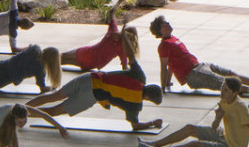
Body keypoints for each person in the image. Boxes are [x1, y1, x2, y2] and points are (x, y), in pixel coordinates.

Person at [26, 33, 164, 134]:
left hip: (90, 77)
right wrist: (152, 123)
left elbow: (131, 57)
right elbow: (135, 125)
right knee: (53, 111)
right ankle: (22, 114)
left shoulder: (140, 77)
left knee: (53, 96)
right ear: (148, 99)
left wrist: (124, 36)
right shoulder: (135, 105)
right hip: (91, 95)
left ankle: (20, 108)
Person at [138, 75, 249, 147]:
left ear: (234, 92)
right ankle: (155, 144)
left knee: (195, 144)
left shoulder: (241, 108)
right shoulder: (224, 101)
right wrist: (218, 118)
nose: (222, 91)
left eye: (225, 90)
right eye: (222, 88)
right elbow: (214, 126)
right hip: (223, 135)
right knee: (189, 128)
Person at [149, 14, 249, 94]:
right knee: (225, 83)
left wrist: (168, 82)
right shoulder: (163, 46)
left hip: (200, 66)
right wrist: (163, 87)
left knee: (231, 74)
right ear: (161, 29)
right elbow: (164, 67)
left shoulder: (172, 39)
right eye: (165, 23)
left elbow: (171, 65)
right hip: (193, 74)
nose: (168, 23)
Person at [60, 13, 136, 73]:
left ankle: (48, 63)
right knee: (63, 61)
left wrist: (120, 0)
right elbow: (124, 68)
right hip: (91, 64)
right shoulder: (123, 49)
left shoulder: (113, 32)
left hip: (86, 53)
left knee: (61, 57)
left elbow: (111, 13)